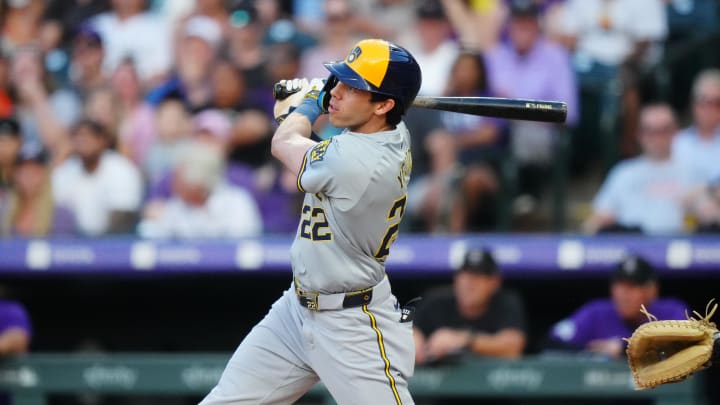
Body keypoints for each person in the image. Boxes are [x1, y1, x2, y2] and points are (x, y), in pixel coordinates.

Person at [200, 38, 421, 404]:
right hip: (296, 310)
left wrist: (307, 105)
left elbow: (285, 144)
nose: (336, 91)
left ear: (384, 104)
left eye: (353, 87)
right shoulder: (385, 133)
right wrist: (305, 112)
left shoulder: (362, 159)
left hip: (352, 323)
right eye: (338, 80)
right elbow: (323, 155)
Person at [547, 254, 687, 358]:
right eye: (619, 286)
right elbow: (553, 342)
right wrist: (589, 351)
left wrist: (624, 349)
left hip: (657, 395)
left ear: (651, 291)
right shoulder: (595, 313)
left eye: (632, 287)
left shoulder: (671, 312)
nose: (623, 295)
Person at [584, 103, 693, 235]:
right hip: (630, 247)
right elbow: (595, 220)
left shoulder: (692, 171)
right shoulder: (623, 172)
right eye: (650, 131)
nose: (657, 138)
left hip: (680, 248)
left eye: (663, 130)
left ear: (675, 132)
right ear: (640, 134)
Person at [413, 246, 527, 364]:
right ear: (456, 279)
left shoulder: (505, 303)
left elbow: (514, 347)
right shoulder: (436, 301)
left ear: (494, 282)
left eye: (478, 276)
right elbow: (410, 329)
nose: (469, 283)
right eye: (465, 275)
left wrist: (464, 340)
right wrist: (413, 343)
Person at [51, 119, 143, 236]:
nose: (82, 142)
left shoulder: (121, 169)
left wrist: (98, 248)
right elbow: (53, 209)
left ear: (102, 140)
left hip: (113, 241)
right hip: (74, 242)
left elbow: (123, 217)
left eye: (88, 136)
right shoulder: (65, 171)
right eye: (78, 137)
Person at [672, 69, 720, 184]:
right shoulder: (676, 141)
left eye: (717, 103)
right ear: (693, 104)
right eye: (704, 101)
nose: (709, 109)